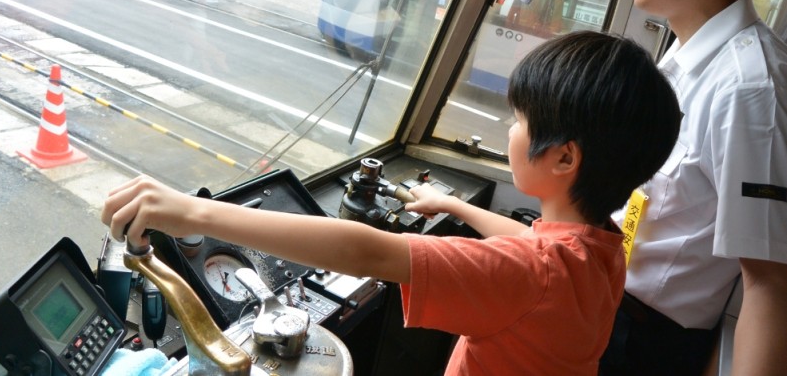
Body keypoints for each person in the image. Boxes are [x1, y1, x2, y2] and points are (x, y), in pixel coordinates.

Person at [102, 31, 682, 375]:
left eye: (520, 119)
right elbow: (529, 239)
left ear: (564, 160)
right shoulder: (604, 252)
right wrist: (452, 208)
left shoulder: (529, 276)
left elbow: (371, 252)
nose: (510, 129)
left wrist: (192, 212)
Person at [599, 0, 787, 375]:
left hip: (643, 340)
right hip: (606, 299)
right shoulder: (685, 53)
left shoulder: (750, 89)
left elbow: (771, 281)